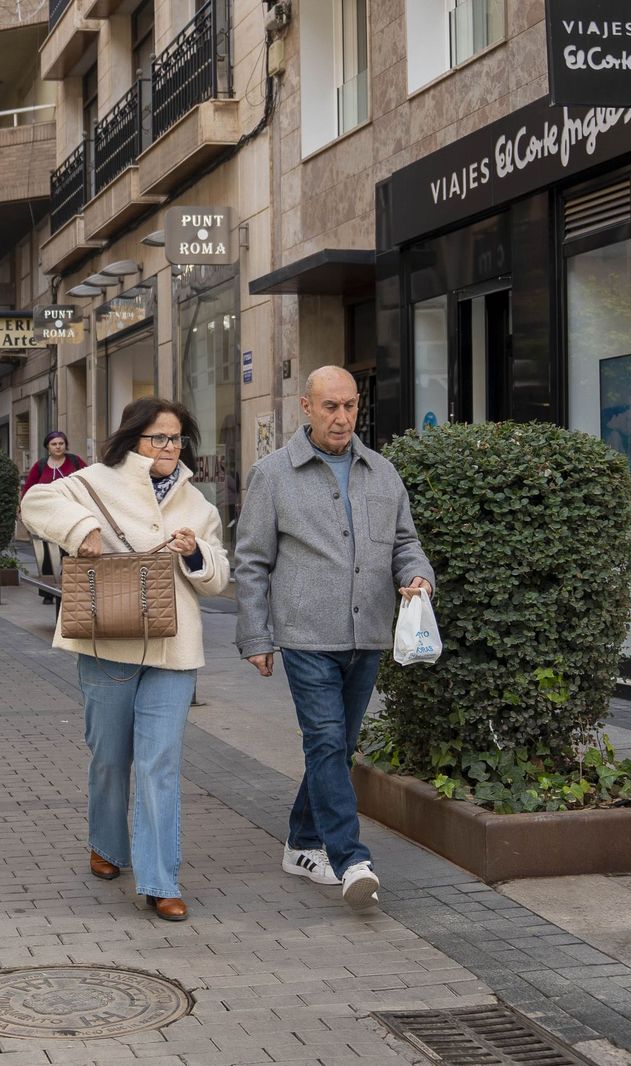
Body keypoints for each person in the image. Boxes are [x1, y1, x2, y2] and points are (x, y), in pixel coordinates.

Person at [233, 366, 434, 911]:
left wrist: (417, 576)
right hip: (306, 635)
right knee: (324, 741)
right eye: (329, 407)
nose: (341, 417)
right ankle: (351, 860)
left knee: (338, 747)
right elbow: (251, 561)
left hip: (367, 633)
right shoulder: (273, 475)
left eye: (349, 406)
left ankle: (301, 843)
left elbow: (405, 542)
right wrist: (256, 635)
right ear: (306, 407)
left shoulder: (383, 473)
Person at [21, 398, 230, 923]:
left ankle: (161, 880)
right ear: (133, 438)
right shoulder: (92, 482)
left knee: (160, 765)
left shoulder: (198, 505)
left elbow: (220, 576)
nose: (168, 448)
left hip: (173, 648)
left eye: (177, 438)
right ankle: (108, 845)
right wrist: (81, 529)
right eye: (158, 438)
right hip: (105, 641)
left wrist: (195, 554)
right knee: (110, 757)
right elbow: (35, 502)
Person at [20, 431, 87, 603]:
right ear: (48, 447)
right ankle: (47, 592)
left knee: (68, 550)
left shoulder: (75, 461)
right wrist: (22, 507)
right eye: (54, 444)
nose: (58, 447)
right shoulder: (40, 465)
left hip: (70, 513)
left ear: (65, 445)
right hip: (46, 515)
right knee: (47, 553)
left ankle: (69, 586)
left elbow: (88, 480)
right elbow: (28, 488)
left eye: (61, 443)